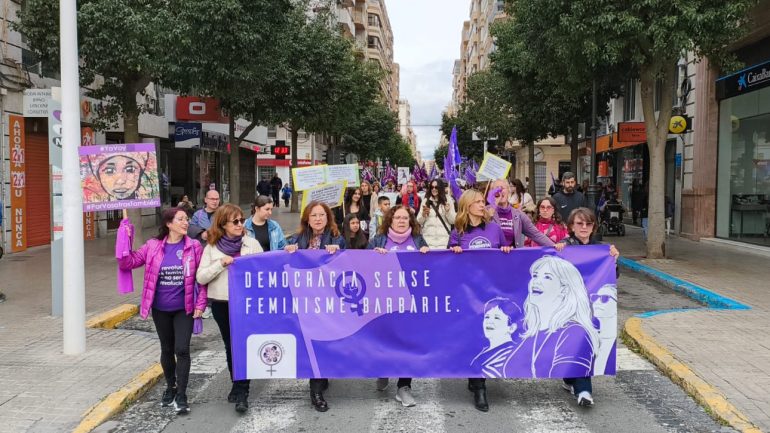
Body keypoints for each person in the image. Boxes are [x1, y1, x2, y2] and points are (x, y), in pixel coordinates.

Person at [117, 207, 207, 415]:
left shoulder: (194, 247)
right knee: (167, 349)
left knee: (182, 349)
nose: (186, 223)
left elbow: (202, 280)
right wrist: (124, 235)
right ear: (169, 223)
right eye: (181, 219)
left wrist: (200, 304)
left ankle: (182, 395)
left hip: (184, 308)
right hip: (160, 309)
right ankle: (171, 387)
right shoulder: (153, 246)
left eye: (187, 219)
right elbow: (126, 262)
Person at [447, 189, 514, 412]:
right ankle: (478, 385)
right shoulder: (458, 231)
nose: (482, 205)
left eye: (482, 202)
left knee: (485, 336)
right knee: (474, 337)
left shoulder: (495, 229)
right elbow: (447, 261)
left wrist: (507, 249)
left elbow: (507, 252)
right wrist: (453, 250)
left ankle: (478, 382)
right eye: (477, 202)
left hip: (491, 292)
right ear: (467, 206)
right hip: (467, 294)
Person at [196, 204, 263, 413]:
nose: (240, 224)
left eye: (242, 220)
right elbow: (201, 277)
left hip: (246, 303)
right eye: (235, 221)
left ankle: (243, 390)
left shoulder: (251, 244)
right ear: (223, 224)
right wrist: (220, 265)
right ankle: (237, 382)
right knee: (230, 345)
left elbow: (263, 269)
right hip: (222, 303)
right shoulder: (211, 247)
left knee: (243, 344)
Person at [554, 207, 620, 406]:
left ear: (593, 227)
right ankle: (575, 383)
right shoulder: (563, 246)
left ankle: (581, 388)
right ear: (571, 227)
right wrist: (554, 252)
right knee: (574, 342)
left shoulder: (602, 249)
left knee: (583, 342)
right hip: (567, 307)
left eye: (588, 223)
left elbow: (613, 276)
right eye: (579, 223)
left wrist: (614, 260)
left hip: (591, 308)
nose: (584, 227)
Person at [284, 201, 345, 412]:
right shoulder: (299, 238)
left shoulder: (336, 237)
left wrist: (337, 250)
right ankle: (316, 389)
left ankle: (319, 382)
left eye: (321, 215)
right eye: (314, 215)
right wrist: (289, 249)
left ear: (328, 218)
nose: (318, 219)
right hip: (304, 301)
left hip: (328, 301)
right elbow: (281, 258)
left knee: (323, 341)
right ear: (307, 219)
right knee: (311, 342)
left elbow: (347, 259)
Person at [367, 205, 429, 406]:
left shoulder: (418, 240)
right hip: (384, 302)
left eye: (405, 218)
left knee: (407, 343)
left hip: (410, 303)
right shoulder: (378, 239)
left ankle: (404, 387)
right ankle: (383, 370)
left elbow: (428, 270)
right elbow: (363, 265)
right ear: (390, 221)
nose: (402, 221)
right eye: (397, 218)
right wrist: (373, 255)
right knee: (385, 340)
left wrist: (427, 254)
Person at [488, 179, 555, 249]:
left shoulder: (518, 214)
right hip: (493, 256)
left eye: (502, 188)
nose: (499, 191)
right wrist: (492, 209)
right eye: (496, 189)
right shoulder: (485, 212)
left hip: (511, 256)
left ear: (508, 191)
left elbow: (536, 234)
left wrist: (554, 246)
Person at [470, 297, 524, 379]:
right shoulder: (484, 351)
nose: (489, 321)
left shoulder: (511, 354)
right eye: (487, 317)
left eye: (497, 318)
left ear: (511, 328)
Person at [417, 179, 456, 249]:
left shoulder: (448, 200)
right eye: (432, 187)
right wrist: (423, 215)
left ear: (440, 188)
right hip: (428, 243)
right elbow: (419, 221)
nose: (434, 189)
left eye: (436, 187)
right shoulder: (425, 201)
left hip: (444, 243)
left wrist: (448, 212)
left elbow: (453, 221)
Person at [592, 284, 618, 376]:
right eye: (595, 297)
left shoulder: (613, 345)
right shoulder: (589, 338)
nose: (597, 302)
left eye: (605, 298)